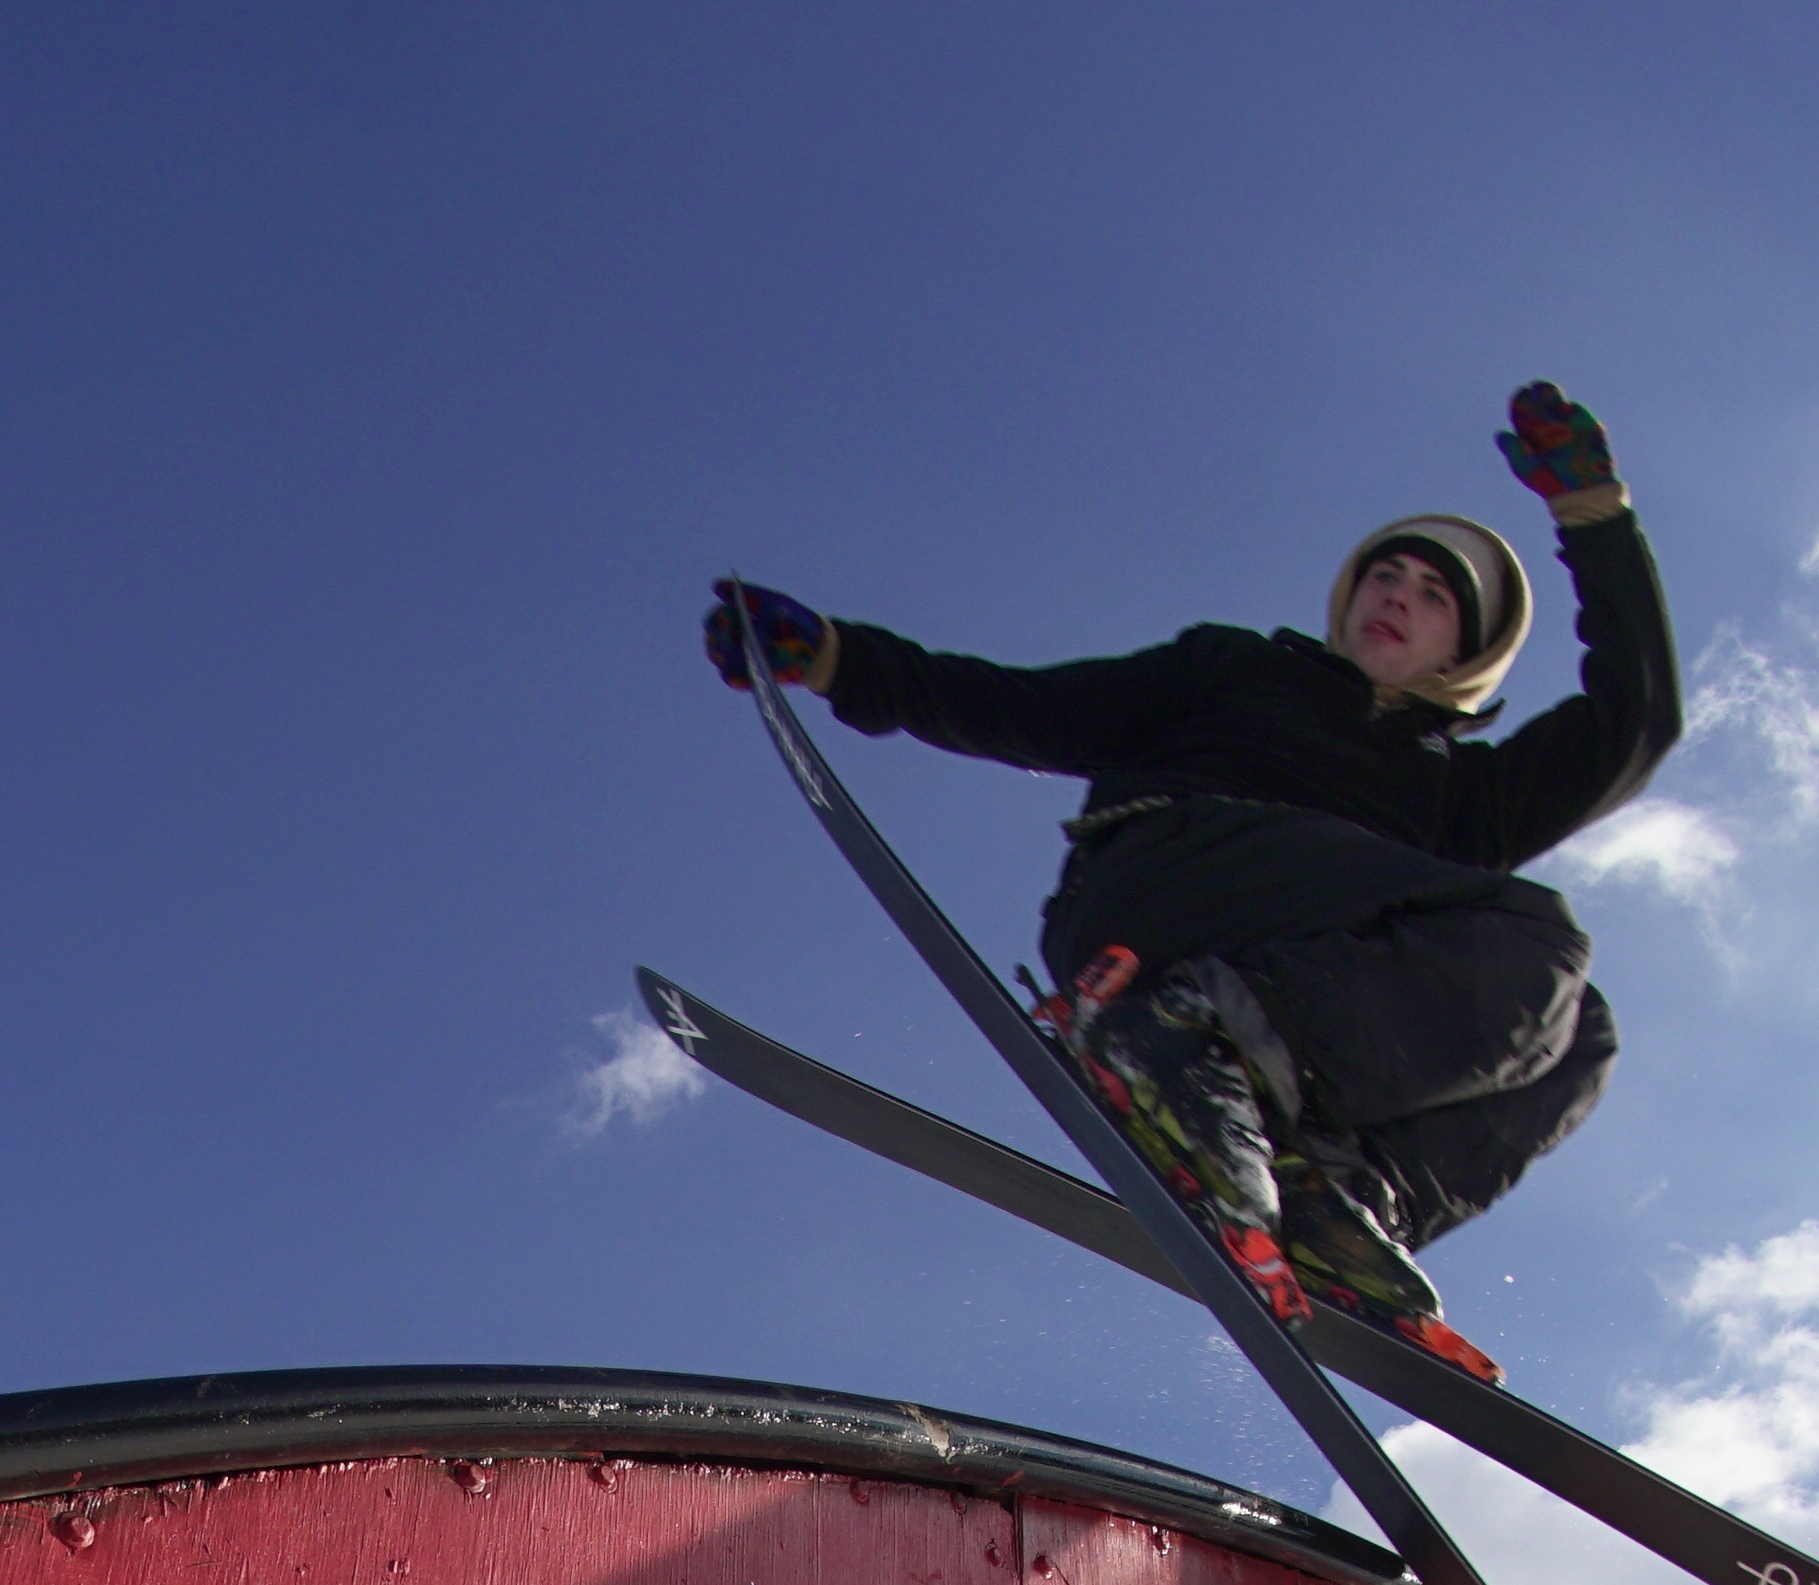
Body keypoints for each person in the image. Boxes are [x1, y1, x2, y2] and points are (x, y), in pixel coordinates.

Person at [704, 385, 1677, 1379]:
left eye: (1432, 596)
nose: (1395, 598)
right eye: (1384, 575)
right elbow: (1027, 706)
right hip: (1162, 886)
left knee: (1577, 1034)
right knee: (1536, 932)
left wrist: (1592, 516)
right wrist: (838, 660)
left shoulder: (1469, 798)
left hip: (1279, 981)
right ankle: (1190, 1033)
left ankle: (1339, 1201)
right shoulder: (1235, 671)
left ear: (1466, 651)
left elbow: (1634, 725)